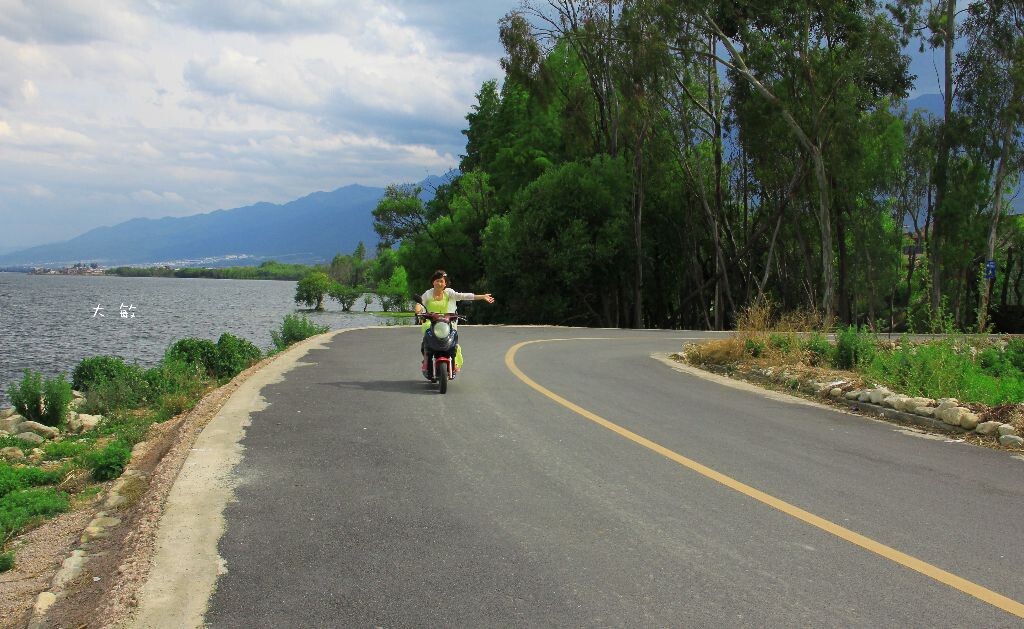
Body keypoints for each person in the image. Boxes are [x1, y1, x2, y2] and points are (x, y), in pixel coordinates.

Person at [413, 269, 495, 372]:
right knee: (427, 339)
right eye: (437, 280)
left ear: (445, 284)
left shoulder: (449, 293)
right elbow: (419, 303)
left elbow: (463, 296)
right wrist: (418, 312)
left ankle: (454, 362)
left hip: (448, 321)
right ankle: (426, 361)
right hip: (432, 321)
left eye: (442, 281)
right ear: (433, 282)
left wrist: (482, 297)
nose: (439, 283)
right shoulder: (428, 294)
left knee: (453, 341)